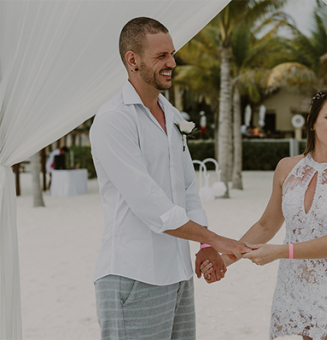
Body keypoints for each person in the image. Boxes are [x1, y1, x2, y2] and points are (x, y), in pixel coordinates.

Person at [90, 17, 250, 340]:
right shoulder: (112, 121)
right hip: (134, 277)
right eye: (161, 56)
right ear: (132, 60)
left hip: (178, 277)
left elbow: (187, 188)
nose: (172, 63)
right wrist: (218, 239)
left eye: (172, 54)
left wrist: (205, 245)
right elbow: (151, 204)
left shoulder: (174, 116)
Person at [203, 88, 327, 340]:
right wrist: (226, 260)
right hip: (291, 289)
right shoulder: (286, 168)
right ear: (312, 122)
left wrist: (280, 252)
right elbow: (265, 225)